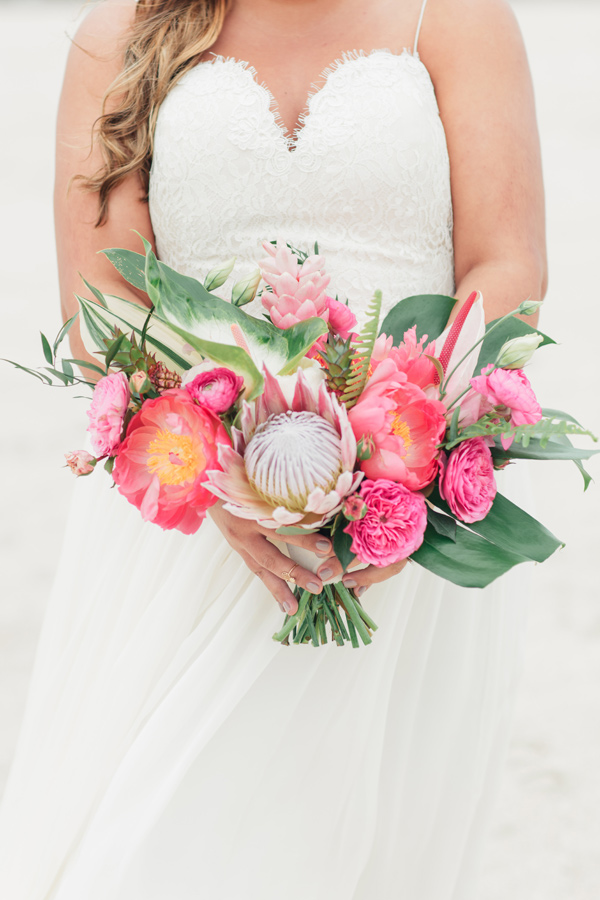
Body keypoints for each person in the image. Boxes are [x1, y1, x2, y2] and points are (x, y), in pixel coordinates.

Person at [0, 0, 547, 897]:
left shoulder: (455, 19)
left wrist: (396, 458)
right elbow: (102, 300)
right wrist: (229, 480)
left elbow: (508, 263)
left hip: (401, 522)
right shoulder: (120, 37)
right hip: (186, 519)